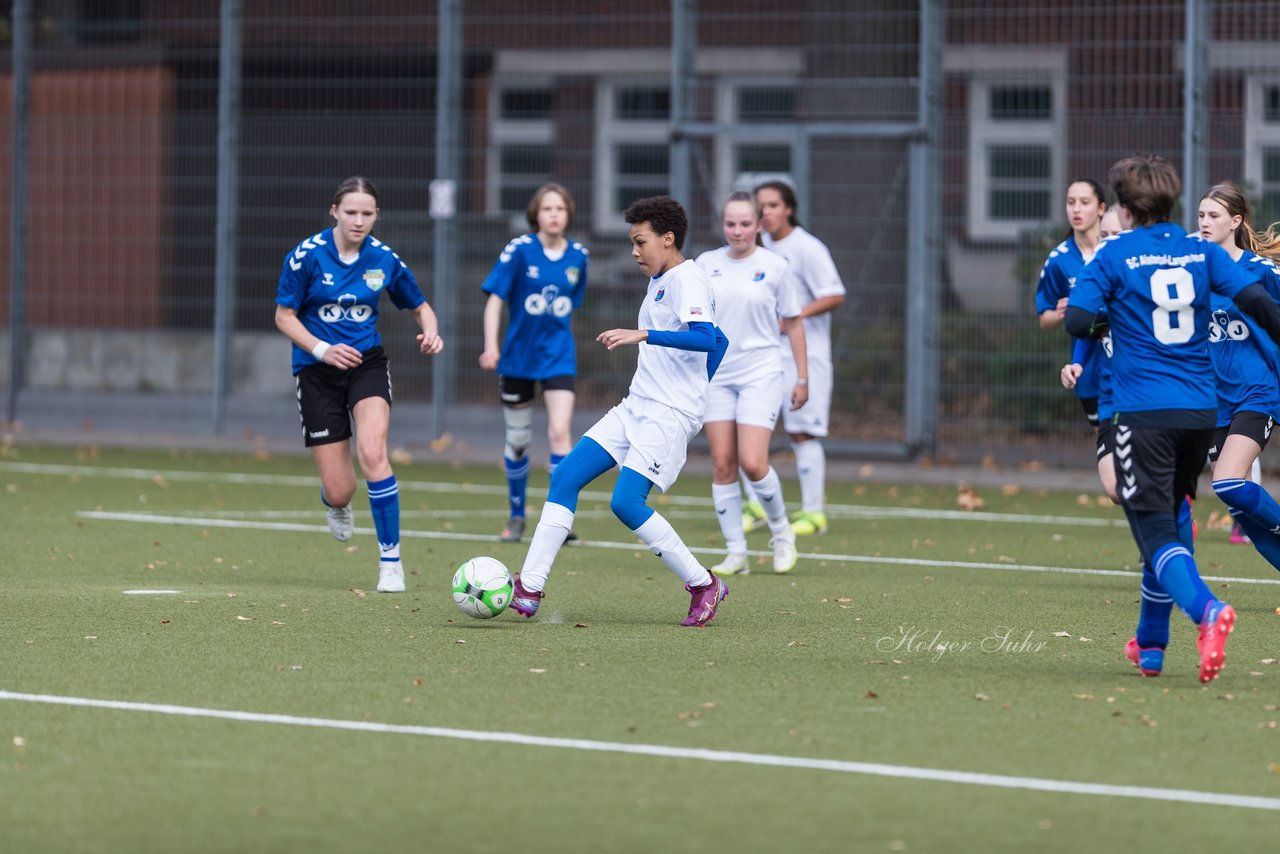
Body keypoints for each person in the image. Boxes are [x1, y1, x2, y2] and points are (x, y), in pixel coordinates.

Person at [1066, 154, 1280, 682]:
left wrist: (1110, 317)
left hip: (1143, 412)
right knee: (1174, 517)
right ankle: (1153, 645)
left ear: (1121, 207)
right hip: (1200, 410)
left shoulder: (1115, 254)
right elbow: (1256, 300)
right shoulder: (1196, 253)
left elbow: (1074, 317)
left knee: (1157, 528)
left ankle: (1207, 612)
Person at [507, 195, 731, 627]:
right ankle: (530, 587)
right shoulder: (663, 279)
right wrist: (691, 376)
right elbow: (720, 343)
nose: (634, 251)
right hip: (638, 405)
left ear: (668, 239)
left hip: (667, 413)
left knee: (626, 503)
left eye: (640, 241)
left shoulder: (689, 279)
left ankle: (703, 584)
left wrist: (645, 337)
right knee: (566, 475)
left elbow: (707, 338)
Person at [274, 176, 444, 593]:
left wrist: (432, 331)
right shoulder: (307, 257)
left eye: (367, 213)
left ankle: (391, 562)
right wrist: (322, 350)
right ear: (334, 211)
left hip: (366, 365)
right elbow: (283, 316)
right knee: (340, 488)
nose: (359, 220)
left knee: (372, 452)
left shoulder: (384, 259)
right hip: (316, 372)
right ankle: (335, 502)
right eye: (351, 212)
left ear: (376, 216)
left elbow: (420, 307)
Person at [695, 191, 808, 576]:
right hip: (717, 374)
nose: (738, 231)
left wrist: (802, 377)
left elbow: (793, 322)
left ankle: (781, 532)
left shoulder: (776, 266)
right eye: (731, 224)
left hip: (761, 372)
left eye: (745, 224)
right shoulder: (704, 264)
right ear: (722, 224)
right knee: (723, 462)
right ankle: (736, 552)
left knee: (753, 462)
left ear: (759, 225)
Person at [479, 183, 589, 543]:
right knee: (519, 439)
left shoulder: (578, 256)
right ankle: (516, 517)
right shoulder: (520, 250)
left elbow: (569, 306)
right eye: (547, 209)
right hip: (517, 359)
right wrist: (490, 345)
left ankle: (561, 521)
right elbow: (496, 299)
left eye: (560, 208)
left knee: (560, 433)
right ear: (535, 215)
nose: (554, 214)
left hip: (558, 357)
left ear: (568, 213)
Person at [740, 181, 846, 538]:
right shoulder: (754, 248)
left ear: (788, 208)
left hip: (806, 355)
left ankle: (813, 514)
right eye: (760, 206)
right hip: (761, 356)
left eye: (772, 205)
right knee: (748, 428)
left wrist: (792, 315)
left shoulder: (807, 247)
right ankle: (756, 505)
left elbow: (834, 294)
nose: (766, 212)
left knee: (802, 433)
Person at [1198, 181, 1280, 568]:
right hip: (1215, 400)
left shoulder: (1260, 272)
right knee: (1238, 503)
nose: (1204, 222)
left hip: (1257, 391)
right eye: (1200, 215)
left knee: (1228, 480)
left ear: (1236, 221)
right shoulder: (1193, 272)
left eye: (1213, 215)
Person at [1039, 180, 1109, 433]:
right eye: (1071, 203)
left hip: (1128, 365)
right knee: (1106, 444)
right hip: (1088, 370)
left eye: (1084, 202)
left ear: (1101, 208)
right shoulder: (1059, 260)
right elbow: (1044, 319)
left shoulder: (1117, 252)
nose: (1076, 210)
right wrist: (1060, 314)